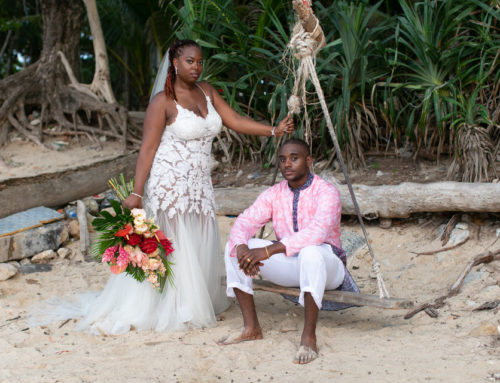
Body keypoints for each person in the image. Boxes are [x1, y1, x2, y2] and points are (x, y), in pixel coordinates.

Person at [59, 39, 294, 335]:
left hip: (199, 184)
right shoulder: (163, 102)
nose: (196, 67)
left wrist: (273, 130)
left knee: (196, 239)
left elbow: (233, 119)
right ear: (175, 63)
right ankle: (175, 308)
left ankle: (193, 302)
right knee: (173, 243)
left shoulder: (206, 91)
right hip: (169, 184)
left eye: (199, 62)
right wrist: (136, 192)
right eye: (190, 61)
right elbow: (147, 149)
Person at [218, 138, 359, 364]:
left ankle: (308, 337)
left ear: (309, 160)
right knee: (233, 248)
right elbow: (244, 221)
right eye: (283, 159)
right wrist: (243, 246)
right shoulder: (275, 193)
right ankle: (251, 328)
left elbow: (317, 232)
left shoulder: (326, 192)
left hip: (327, 267)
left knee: (311, 252)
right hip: (290, 264)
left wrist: (268, 251)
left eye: (295, 158)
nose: (287, 164)